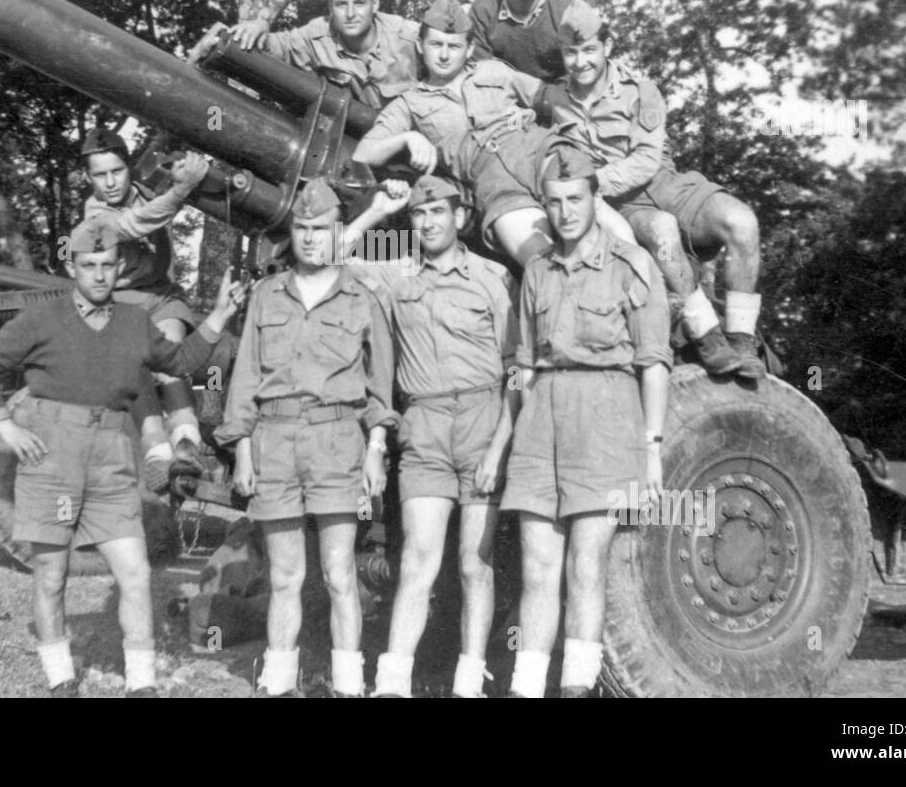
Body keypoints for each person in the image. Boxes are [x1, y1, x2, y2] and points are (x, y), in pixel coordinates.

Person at [0, 217, 246, 697]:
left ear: (119, 269)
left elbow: (177, 363)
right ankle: (60, 679)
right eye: (88, 264)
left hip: (112, 458)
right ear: (72, 266)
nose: (98, 274)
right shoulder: (42, 318)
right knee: (51, 573)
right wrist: (6, 425)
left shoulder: (136, 322)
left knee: (134, 571)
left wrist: (217, 316)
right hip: (54, 458)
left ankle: (141, 684)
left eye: (107, 265)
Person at [214, 178, 397, 698]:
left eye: (321, 229)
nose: (311, 239)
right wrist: (243, 450)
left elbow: (379, 388)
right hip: (273, 442)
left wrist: (377, 448)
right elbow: (245, 378)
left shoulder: (362, 297)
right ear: (291, 233)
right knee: (284, 577)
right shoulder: (267, 296)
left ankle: (347, 685)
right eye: (302, 229)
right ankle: (276, 684)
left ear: (338, 232)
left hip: (338, 441)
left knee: (339, 575)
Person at [503, 142, 671, 699]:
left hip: (606, 416)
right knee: (536, 568)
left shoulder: (632, 264)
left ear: (596, 198)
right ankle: (527, 690)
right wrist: (512, 435)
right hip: (541, 418)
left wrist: (650, 449)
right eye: (553, 202)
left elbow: (653, 364)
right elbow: (522, 365)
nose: (565, 211)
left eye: (575, 199)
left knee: (586, 564)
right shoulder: (537, 272)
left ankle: (576, 687)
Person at [340, 175, 517, 699]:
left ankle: (469, 681)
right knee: (419, 558)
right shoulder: (396, 276)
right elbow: (332, 256)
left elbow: (515, 371)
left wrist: (500, 445)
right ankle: (392, 683)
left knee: (474, 563)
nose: (429, 221)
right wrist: (379, 209)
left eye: (439, 211)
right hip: (425, 429)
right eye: (419, 214)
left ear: (460, 217)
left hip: (485, 421)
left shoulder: (494, 278)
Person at [547, 0, 766, 378]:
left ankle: (742, 340)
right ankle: (707, 335)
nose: (580, 61)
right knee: (663, 232)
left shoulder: (641, 89)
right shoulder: (556, 99)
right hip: (625, 204)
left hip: (666, 183)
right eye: (570, 52)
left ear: (608, 47)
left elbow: (646, 162)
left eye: (588, 50)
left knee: (742, 221)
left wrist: (595, 180)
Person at [352, 0, 635, 268]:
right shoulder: (409, 103)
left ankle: (647, 281)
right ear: (420, 45)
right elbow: (364, 153)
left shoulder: (494, 71)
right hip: (492, 182)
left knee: (591, 210)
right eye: (436, 44)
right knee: (540, 262)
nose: (444, 55)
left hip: (534, 147)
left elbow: (552, 99)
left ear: (470, 49)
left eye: (454, 46)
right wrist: (408, 137)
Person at [80, 127, 215, 489]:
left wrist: (190, 168)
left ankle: (187, 442)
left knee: (170, 360)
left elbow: (166, 193)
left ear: (129, 168)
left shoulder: (145, 191)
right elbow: (134, 224)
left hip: (161, 297)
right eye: (100, 174)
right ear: (88, 177)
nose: (110, 182)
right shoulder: (96, 215)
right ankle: (156, 449)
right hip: (121, 303)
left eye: (117, 171)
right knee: (138, 368)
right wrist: (182, 189)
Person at [191, 0, 421, 109]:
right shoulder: (317, 36)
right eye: (341, 5)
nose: (351, 14)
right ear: (330, 8)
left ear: (376, 4)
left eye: (359, 3)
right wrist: (259, 24)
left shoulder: (408, 36)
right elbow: (272, 46)